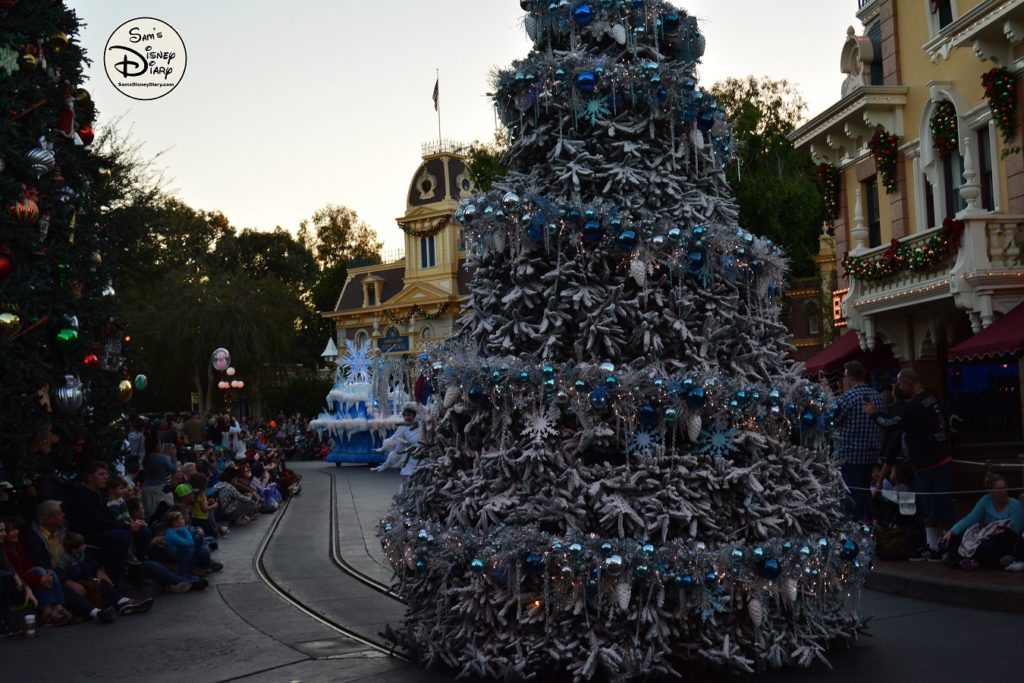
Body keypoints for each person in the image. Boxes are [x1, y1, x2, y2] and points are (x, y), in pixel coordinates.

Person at [866, 368, 953, 562]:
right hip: (926, 463)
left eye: (899, 384)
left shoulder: (916, 405)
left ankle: (949, 546)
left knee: (940, 507)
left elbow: (893, 424)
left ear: (907, 383)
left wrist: (873, 415)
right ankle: (931, 546)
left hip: (933, 463)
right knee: (924, 507)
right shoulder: (931, 397)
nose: (898, 388)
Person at [19, 500, 119, 623]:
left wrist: (97, 569)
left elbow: (78, 550)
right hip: (55, 574)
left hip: (70, 568)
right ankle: (95, 612)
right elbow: (42, 564)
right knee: (66, 589)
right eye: (59, 513)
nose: (63, 515)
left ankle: (122, 602)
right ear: (48, 519)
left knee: (95, 578)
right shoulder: (33, 538)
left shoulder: (63, 529)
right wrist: (67, 581)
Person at [65, 460, 150, 584]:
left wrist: (131, 523)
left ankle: (137, 571)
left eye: (106, 474)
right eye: (101, 474)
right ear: (89, 477)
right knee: (122, 537)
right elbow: (97, 522)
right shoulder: (83, 497)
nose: (105, 478)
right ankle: (118, 578)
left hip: (108, 527)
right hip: (91, 533)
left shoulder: (101, 493)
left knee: (144, 532)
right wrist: (126, 527)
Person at [56, 533, 153, 618]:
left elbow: (90, 563)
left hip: (86, 578)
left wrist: (96, 572)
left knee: (103, 584)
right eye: (82, 545)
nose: (85, 546)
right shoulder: (65, 560)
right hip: (75, 580)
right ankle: (97, 613)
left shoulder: (82, 555)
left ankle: (122, 601)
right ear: (74, 549)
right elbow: (61, 573)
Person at [833, 361, 884, 523]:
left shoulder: (848, 397)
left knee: (851, 496)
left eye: (845, 376)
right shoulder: (877, 396)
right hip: (872, 454)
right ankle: (869, 524)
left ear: (850, 377)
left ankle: (852, 530)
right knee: (865, 493)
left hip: (850, 455)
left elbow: (834, 420)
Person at [942, 473, 1024, 571]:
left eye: (1005, 488)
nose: (1004, 492)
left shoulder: (1015, 506)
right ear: (991, 492)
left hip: (1002, 542)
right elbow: (970, 518)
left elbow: (1015, 532)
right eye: (999, 489)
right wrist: (952, 531)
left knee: (989, 544)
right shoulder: (986, 500)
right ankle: (965, 561)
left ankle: (957, 558)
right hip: (984, 538)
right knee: (954, 538)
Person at [2, 518, 74, 627]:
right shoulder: (4, 551)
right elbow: (14, 573)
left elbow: (26, 565)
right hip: (14, 586)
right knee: (40, 573)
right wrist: (38, 579)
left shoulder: (17, 545)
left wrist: (43, 577)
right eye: (12, 530)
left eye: (16, 529)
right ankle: (47, 613)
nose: (16, 532)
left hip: (23, 580)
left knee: (48, 572)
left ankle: (59, 608)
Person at [140, 435, 176, 518]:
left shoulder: (145, 458)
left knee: (151, 516)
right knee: (163, 515)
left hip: (146, 489)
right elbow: (173, 470)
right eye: (159, 443)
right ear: (156, 446)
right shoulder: (162, 458)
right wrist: (173, 456)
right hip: (160, 490)